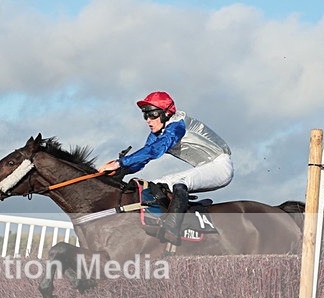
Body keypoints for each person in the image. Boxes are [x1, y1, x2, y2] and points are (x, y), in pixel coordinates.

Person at [100, 91, 233, 244]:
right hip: (205, 166)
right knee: (157, 183)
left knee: (179, 183)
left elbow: (156, 149)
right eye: (145, 116)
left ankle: (172, 229)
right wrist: (119, 171)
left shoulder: (177, 126)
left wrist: (120, 162)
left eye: (152, 115)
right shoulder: (158, 133)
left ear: (166, 114)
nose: (148, 120)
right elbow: (144, 159)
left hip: (220, 166)